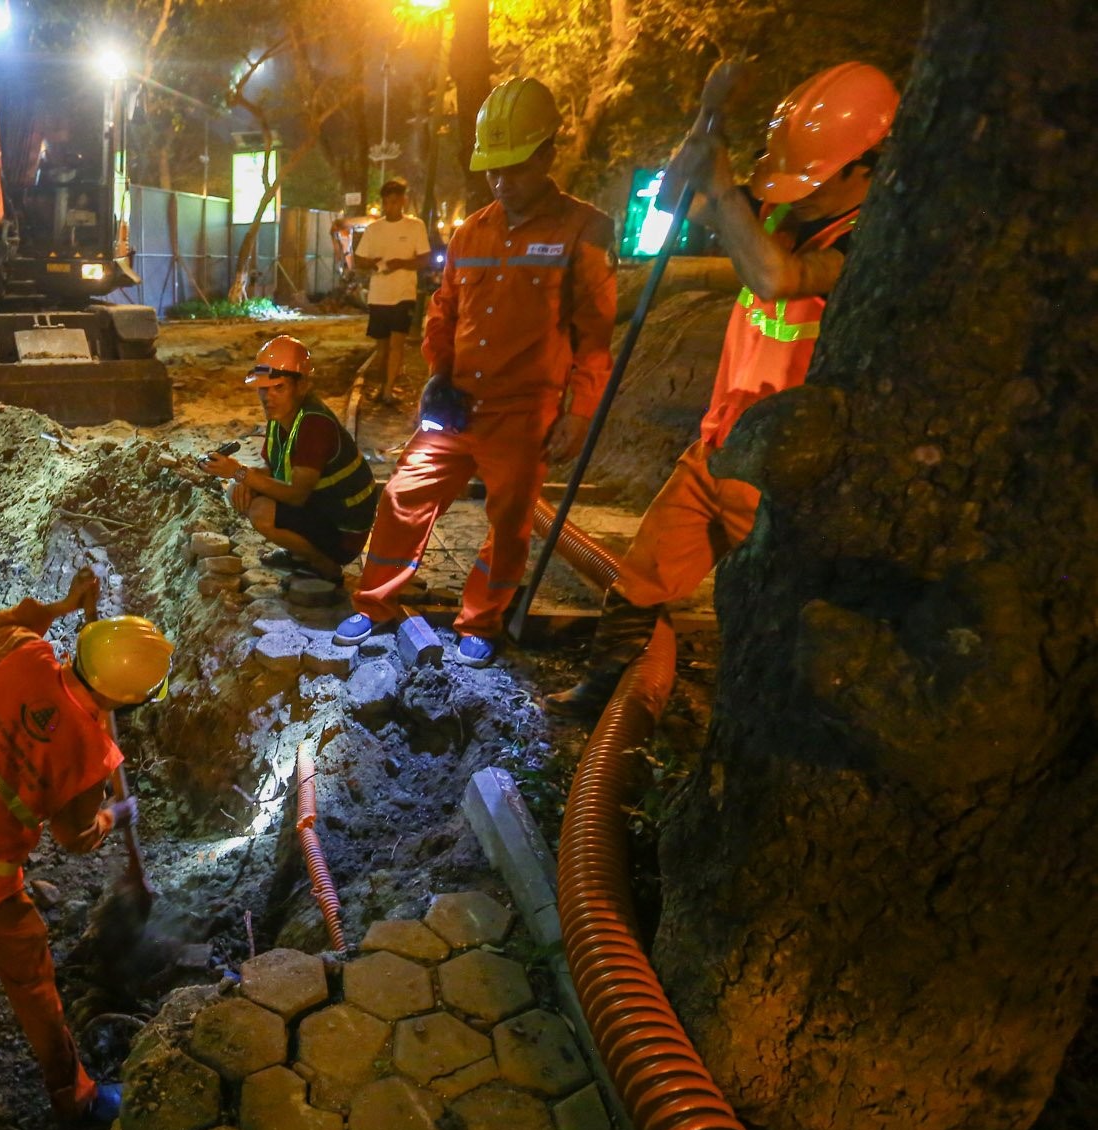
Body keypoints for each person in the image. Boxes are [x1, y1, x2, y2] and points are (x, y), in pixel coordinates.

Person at [547, 62, 900, 719]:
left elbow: (775, 278)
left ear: (868, 166)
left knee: (769, 606)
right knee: (641, 574)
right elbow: (676, 198)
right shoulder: (783, 213)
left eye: (813, 176)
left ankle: (754, 723)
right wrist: (708, 119)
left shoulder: (873, 245)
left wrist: (726, 193)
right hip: (718, 444)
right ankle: (607, 691)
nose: (797, 192)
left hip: (781, 475)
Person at [336, 78, 617, 666]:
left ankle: (480, 621)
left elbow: (594, 337)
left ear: (546, 155)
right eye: (492, 169)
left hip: (524, 411)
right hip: (457, 404)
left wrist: (580, 412)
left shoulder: (582, 231)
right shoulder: (472, 231)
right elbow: (443, 312)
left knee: (510, 522)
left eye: (513, 167)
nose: (500, 181)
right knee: (402, 496)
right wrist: (438, 372)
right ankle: (375, 601)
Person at [0, 568, 173, 1126]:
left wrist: (64, 605)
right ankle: (76, 1096)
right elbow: (75, 838)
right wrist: (113, 814)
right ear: (127, 699)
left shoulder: (29, 655)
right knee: (32, 980)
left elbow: (6, 622)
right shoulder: (91, 755)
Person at [198, 335, 381, 581]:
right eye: (263, 388)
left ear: (302, 385)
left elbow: (296, 495)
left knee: (261, 511)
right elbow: (271, 468)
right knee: (238, 490)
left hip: (344, 532)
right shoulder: (281, 417)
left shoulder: (314, 424)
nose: (267, 397)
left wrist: (240, 472)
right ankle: (299, 554)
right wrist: (241, 480)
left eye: (279, 387)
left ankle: (323, 564)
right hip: (322, 509)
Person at [349, 178, 432, 403]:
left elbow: (424, 259)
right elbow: (359, 259)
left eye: (395, 201)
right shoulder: (374, 229)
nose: (391, 206)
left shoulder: (415, 226)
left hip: (403, 294)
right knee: (382, 347)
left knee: (397, 344)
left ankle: (387, 391)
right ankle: (382, 386)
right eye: (387, 202)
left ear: (403, 201)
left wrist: (401, 263)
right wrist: (375, 263)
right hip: (379, 295)